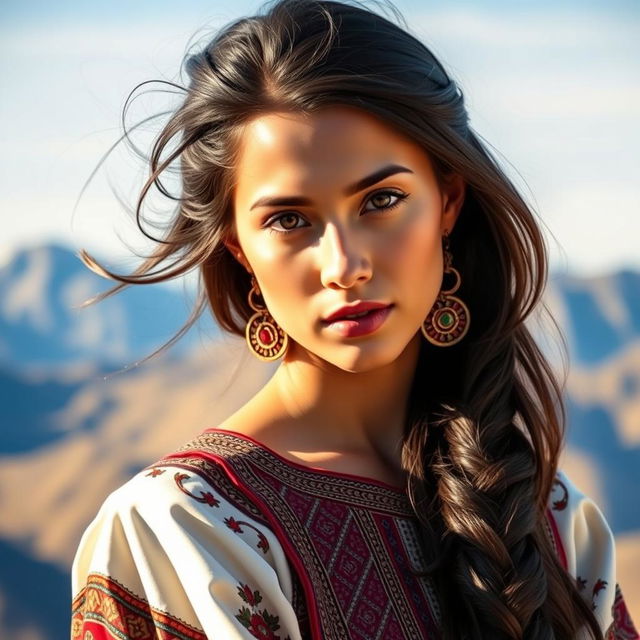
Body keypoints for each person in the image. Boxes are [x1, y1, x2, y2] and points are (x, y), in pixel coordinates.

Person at [69, 1, 638, 638]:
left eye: (382, 201)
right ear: (238, 247)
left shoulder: (551, 521)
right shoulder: (181, 529)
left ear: (448, 202)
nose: (344, 265)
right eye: (289, 220)